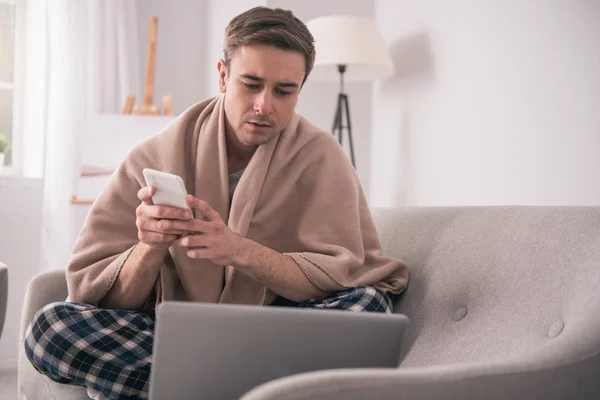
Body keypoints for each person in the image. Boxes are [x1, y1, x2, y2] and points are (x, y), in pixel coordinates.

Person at [24, 6, 409, 399]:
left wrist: (238, 250)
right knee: (50, 330)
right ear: (223, 76)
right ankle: (253, 387)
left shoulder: (321, 156)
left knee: (370, 304)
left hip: (275, 325)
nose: (264, 105)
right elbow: (107, 297)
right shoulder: (154, 157)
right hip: (170, 328)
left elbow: (341, 276)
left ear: (301, 89)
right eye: (251, 84)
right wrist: (151, 246)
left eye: (283, 90)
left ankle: (193, 385)